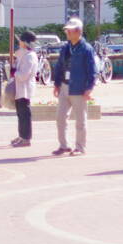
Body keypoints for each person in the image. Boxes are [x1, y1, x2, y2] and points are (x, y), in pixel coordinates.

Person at [50, 17, 95, 156]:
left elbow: (92, 70)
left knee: (80, 120)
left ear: (78, 31)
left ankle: (80, 147)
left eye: (70, 31)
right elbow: (59, 66)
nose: (67, 33)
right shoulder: (65, 48)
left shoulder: (87, 49)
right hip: (64, 86)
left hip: (79, 88)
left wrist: (89, 88)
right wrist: (57, 84)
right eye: (67, 31)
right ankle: (64, 145)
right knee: (60, 117)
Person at [9, 31, 38, 147]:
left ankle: (26, 137)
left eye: (21, 40)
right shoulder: (24, 54)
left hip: (25, 88)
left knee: (24, 114)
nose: (19, 42)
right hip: (20, 88)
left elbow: (24, 75)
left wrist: (14, 72)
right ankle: (22, 135)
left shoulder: (30, 56)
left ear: (25, 43)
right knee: (20, 113)